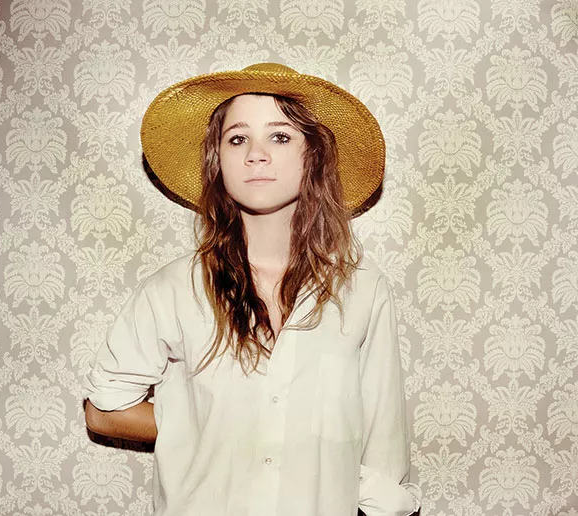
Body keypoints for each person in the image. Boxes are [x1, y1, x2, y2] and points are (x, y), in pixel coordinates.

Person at [83, 63, 421, 516]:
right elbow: (103, 410)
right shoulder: (175, 289)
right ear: (217, 159)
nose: (255, 155)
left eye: (279, 137)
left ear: (312, 155)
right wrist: (201, 424)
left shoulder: (362, 286)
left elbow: (384, 442)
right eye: (237, 138)